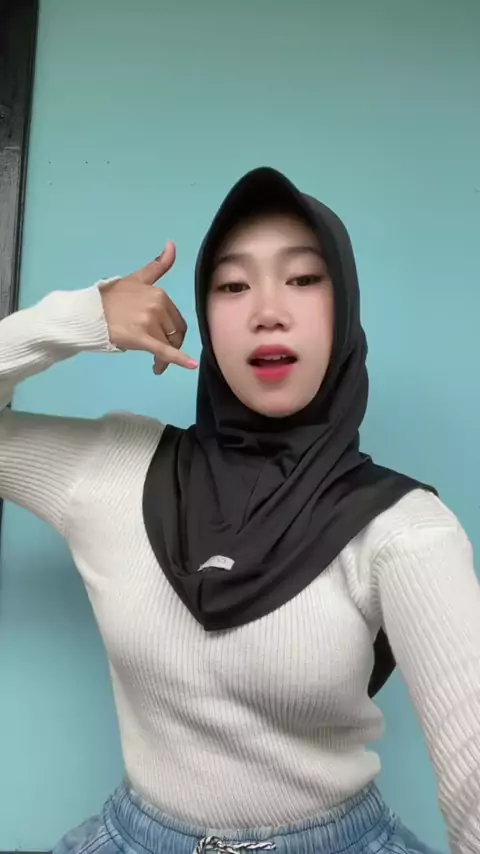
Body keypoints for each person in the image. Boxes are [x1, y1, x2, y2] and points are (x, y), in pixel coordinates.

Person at [0, 167, 479, 854]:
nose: (267, 311)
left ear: (345, 308)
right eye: (232, 286)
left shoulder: (402, 529)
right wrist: (79, 320)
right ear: (206, 315)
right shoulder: (113, 471)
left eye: (304, 278)